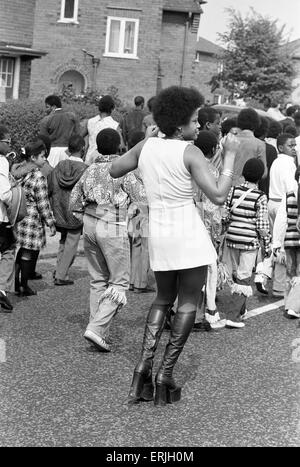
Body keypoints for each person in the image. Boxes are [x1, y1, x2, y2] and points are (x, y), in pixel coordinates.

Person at [110, 85, 239, 406]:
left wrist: (147, 139)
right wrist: (231, 157)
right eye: (195, 121)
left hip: (160, 231)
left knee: (162, 299)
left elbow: (114, 169)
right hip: (188, 232)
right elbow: (219, 194)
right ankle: (165, 374)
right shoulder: (190, 152)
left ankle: (142, 371)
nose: (198, 126)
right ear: (179, 124)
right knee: (186, 304)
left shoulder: (146, 146)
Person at [70, 128, 144, 353]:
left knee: (97, 280)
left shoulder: (89, 169)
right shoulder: (123, 170)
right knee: (119, 282)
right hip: (113, 223)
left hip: (90, 224)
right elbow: (142, 198)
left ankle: (97, 328)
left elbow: (74, 202)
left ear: (97, 146)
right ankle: (97, 327)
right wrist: (130, 216)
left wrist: (86, 219)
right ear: (119, 146)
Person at [222, 158, 271, 328]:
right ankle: (233, 317)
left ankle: (240, 309)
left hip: (231, 238)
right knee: (244, 277)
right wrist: (267, 243)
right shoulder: (260, 197)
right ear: (260, 177)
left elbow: (225, 215)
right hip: (249, 242)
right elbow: (262, 225)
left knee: (235, 274)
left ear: (244, 173)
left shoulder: (233, 190)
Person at [14, 140, 56, 296]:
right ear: (33, 157)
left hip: (18, 216)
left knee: (20, 250)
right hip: (31, 219)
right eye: (42, 156)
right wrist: (50, 222)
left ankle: (15, 283)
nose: (45, 159)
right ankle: (24, 286)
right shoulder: (38, 176)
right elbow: (43, 203)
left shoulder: (18, 172)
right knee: (28, 253)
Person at [48, 135, 87, 285]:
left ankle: (59, 269)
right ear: (83, 149)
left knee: (63, 240)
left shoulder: (59, 166)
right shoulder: (85, 169)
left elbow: (51, 186)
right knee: (72, 243)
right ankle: (61, 275)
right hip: (75, 212)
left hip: (59, 210)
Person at [267, 133, 298, 297]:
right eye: (290, 145)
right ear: (280, 147)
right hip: (283, 204)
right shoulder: (289, 163)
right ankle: (280, 286)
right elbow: (290, 186)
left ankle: (277, 283)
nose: (294, 148)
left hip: (272, 201)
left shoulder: (276, 162)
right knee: (285, 246)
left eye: (294, 145)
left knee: (278, 244)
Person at [272, 167, 300, 319]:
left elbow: (281, 220)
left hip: (289, 239)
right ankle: (293, 307)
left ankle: (287, 302)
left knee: (291, 272)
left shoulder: (288, 195)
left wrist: (277, 243)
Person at [39, 95, 80, 168]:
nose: (46, 110)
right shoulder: (72, 117)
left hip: (52, 153)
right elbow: (78, 136)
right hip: (68, 152)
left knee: (51, 176)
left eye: (47, 107)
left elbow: (43, 141)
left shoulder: (45, 120)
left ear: (54, 107)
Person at [82, 95, 124, 165]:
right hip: (105, 162)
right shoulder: (114, 125)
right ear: (112, 108)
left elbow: (80, 137)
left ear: (99, 107)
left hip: (89, 160)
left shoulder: (90, 122)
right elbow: (121, 146)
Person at [0, 125, 15, 311]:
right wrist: (16, 196)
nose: (10, 144)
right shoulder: (2, 161)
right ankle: (2, 289)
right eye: (7, 142)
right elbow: (3, 193)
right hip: (1, 217)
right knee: (9, 250)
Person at [233, 108, 267, 185]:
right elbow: (264, 173)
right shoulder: (259, 144)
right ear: (257, 123)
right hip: (248, 188)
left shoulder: (229, 140)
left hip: (228, 186)